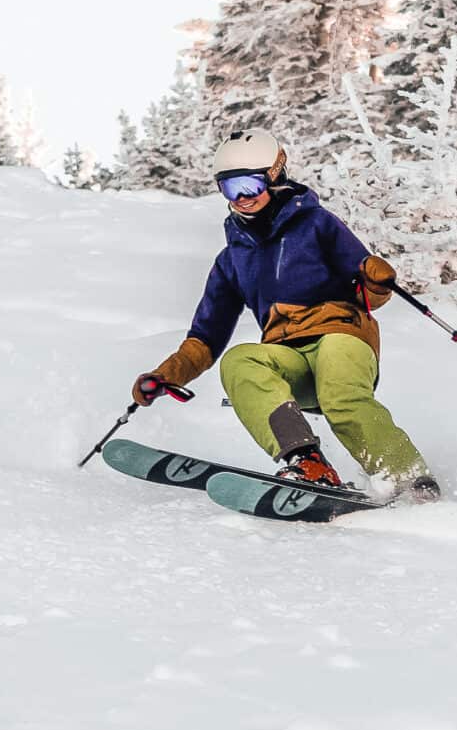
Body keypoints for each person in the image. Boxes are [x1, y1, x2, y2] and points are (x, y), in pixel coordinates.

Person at [132, 130, 441, 502]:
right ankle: (307, 461)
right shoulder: (232, 260)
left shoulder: (317, 224)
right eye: (230, 189)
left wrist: (376, 279)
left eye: (249, 185)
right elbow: (206, 336)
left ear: (275, 175)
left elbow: (367, 288)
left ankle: (408, 479)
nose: (242, 198)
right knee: (239, 361)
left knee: (340, 396)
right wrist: (168, 373)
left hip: (341, 335)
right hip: (288, 354)